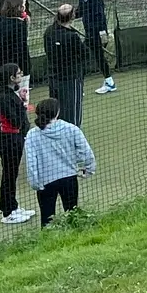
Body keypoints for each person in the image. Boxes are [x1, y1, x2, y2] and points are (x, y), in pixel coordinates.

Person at [23, 97, 95, 227]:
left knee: (47, 218)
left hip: (45, 183)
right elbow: (86, 151)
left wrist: (35, 183)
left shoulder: (32, 135)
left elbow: (31, 162)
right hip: (69, 178)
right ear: (57, 112)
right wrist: (88, 169)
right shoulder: (71, 129)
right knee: (72, 214)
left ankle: (49, 244)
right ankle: (75, 240)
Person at [0, 63, 33, 225]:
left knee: (11, 174)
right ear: (12, 78)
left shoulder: (6, 94)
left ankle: (12, 206)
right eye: (19, 74)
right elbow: (15, 122)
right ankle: (7, 212)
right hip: (8, 140)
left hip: (11, 139)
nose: (21, 76)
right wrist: (23, 103)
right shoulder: (4, 97)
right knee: (9, 175)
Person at [42, 4, 87, 127]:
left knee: (56, 111)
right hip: (71, 78)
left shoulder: (49, 31)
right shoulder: (72, 36)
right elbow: (84, 55)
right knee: (73, 113)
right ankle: (73, 137)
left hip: (53, 77)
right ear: (72, 16)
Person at [73, 0, 115, 95]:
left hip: (95, 33)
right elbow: (81, 11)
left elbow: (99, 13)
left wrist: (102, 32)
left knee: (82, 56)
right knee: (97, 57)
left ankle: (79, 87)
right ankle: (110, 82)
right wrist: (66, 17)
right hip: (89, 32)